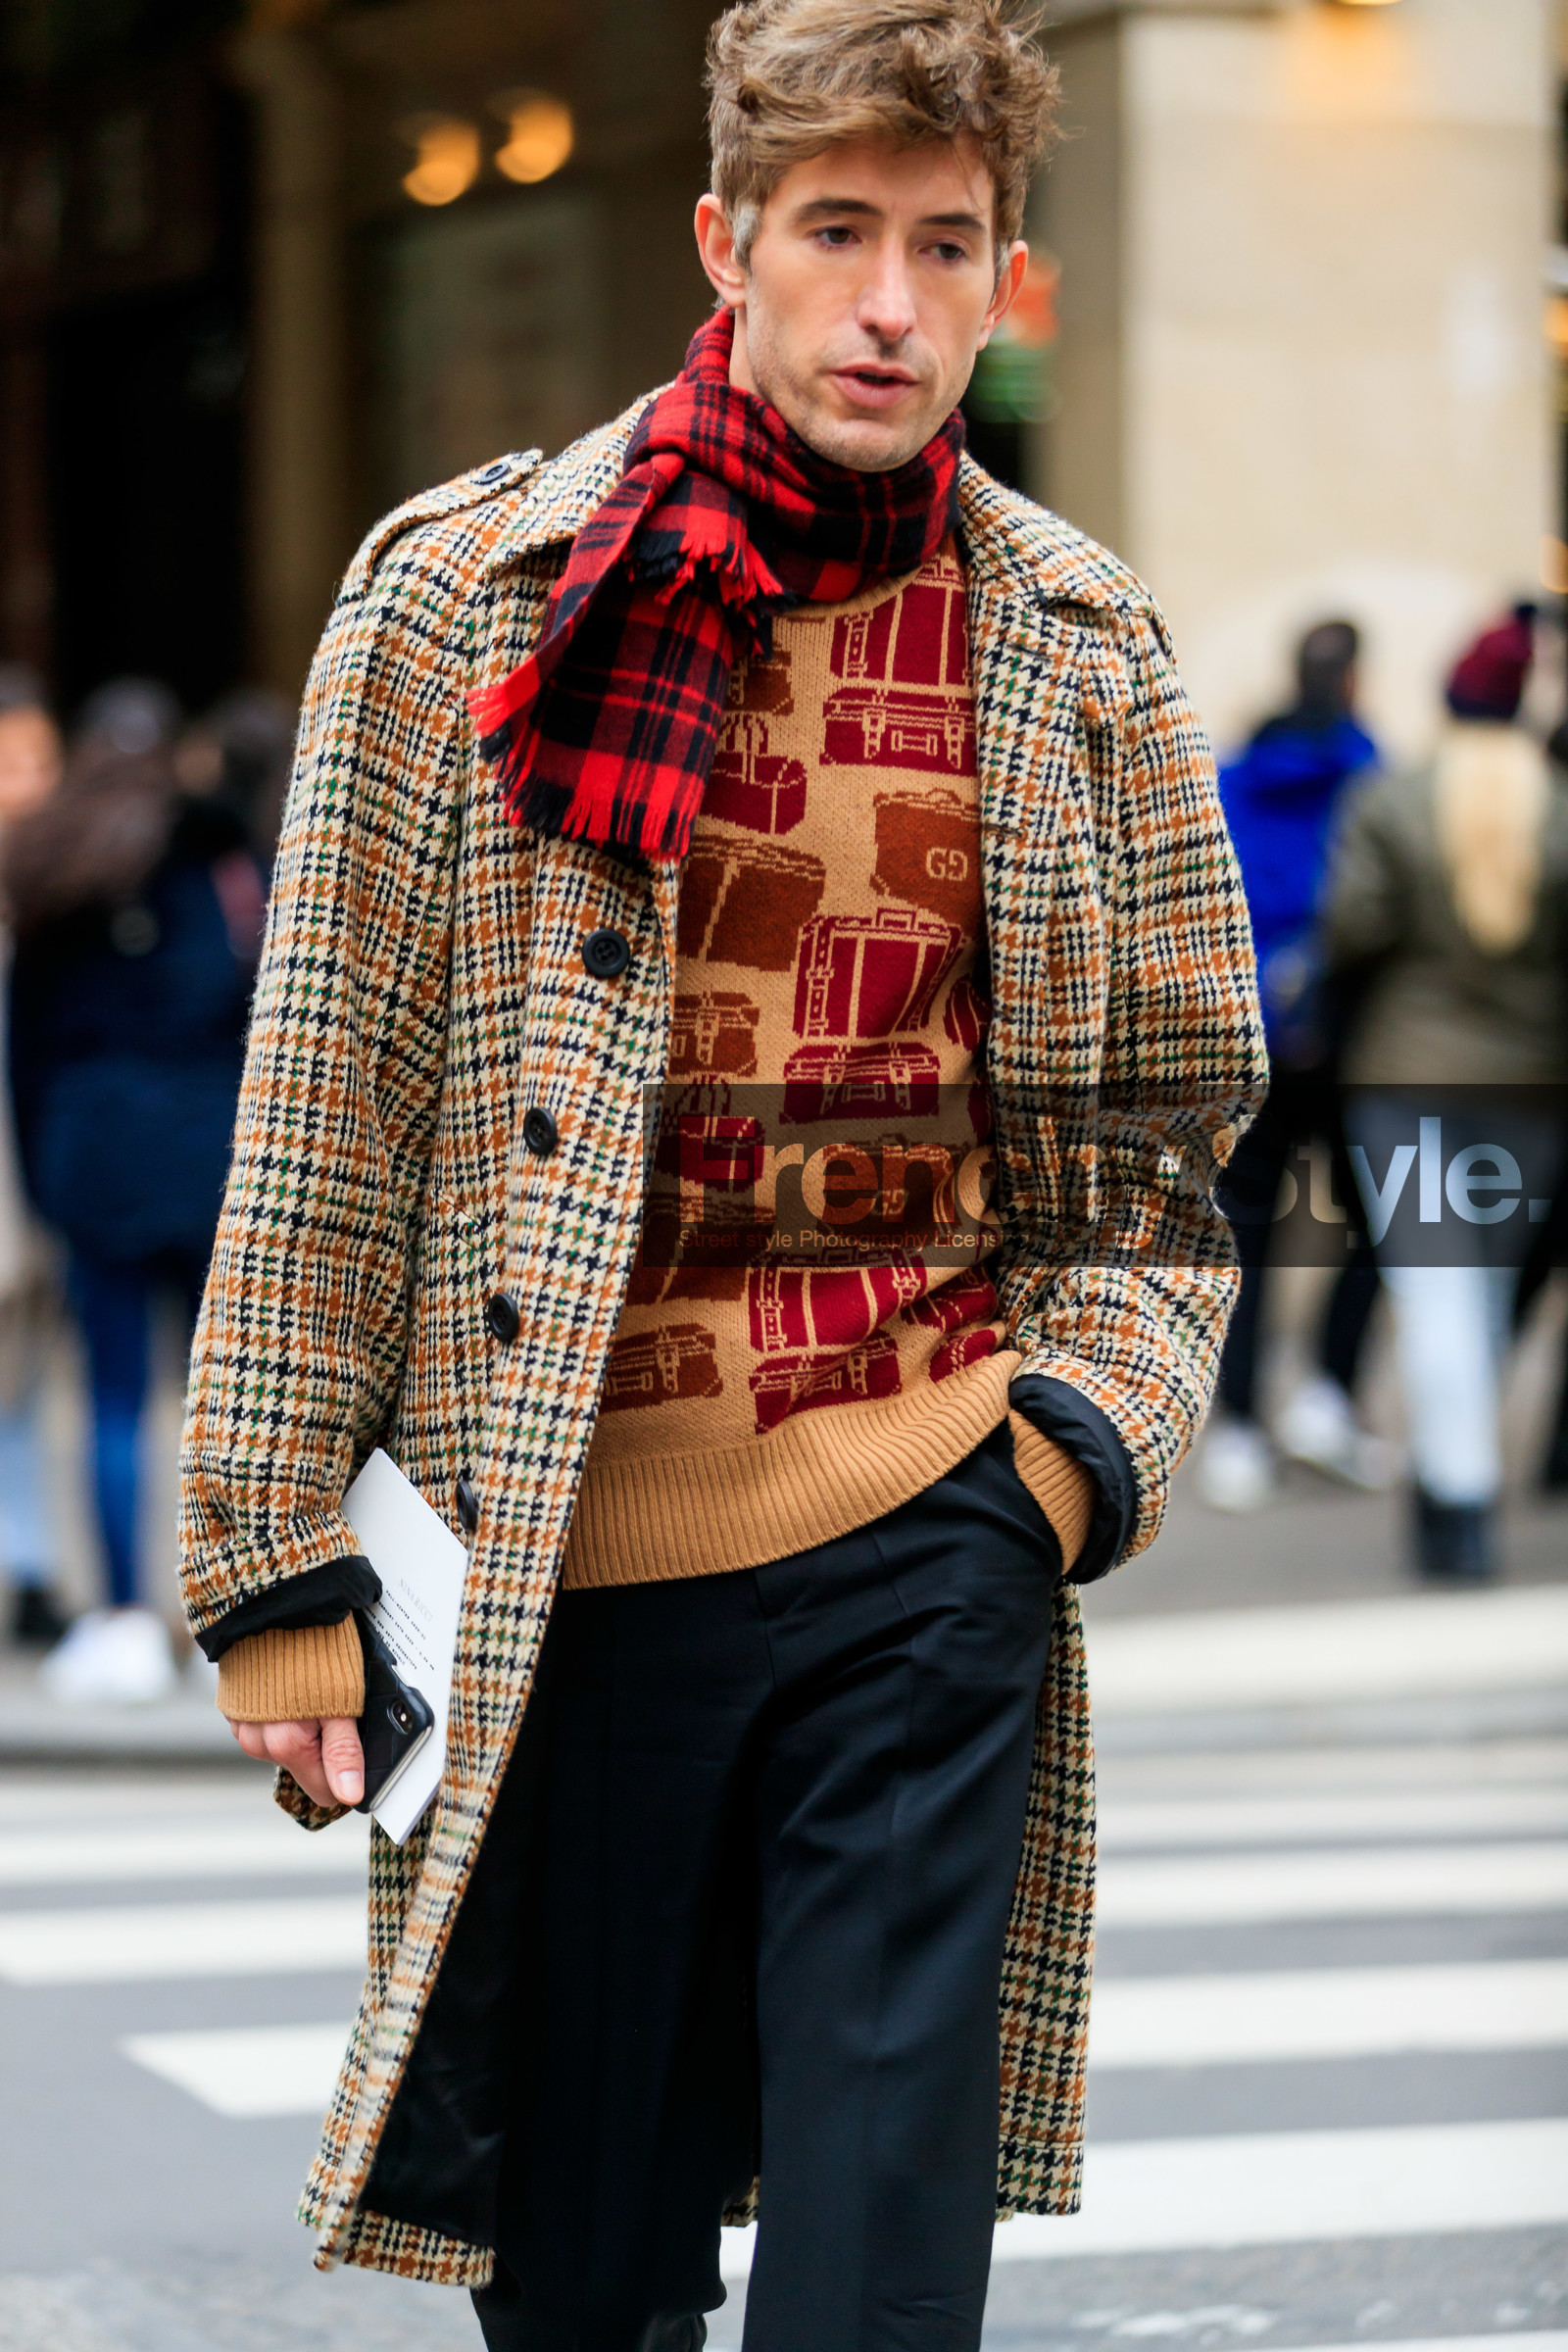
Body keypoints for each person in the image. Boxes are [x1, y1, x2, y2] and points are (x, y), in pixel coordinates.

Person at [178, 5, 1264, 2345]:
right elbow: (328, 1093)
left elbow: (1169, 1116)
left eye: (944, 245)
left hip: (925, 1538)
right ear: (727, 240)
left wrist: (1067, 1454)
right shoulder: (465, 591)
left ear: (1000, 276)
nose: (890, 299)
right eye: (838, 233)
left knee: (877, 2274)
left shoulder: (1078, 646)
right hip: (553, 1561)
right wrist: (271, 1547)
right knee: (582, 2273)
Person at [5, 681, 266, 1701]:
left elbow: (25, 1054)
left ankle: (118, 1615)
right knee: (225, 1400)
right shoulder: (223, 863)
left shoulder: (53, 873)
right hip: (207, 1162)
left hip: (96, 1167)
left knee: (113, 1398)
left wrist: (44, 1177)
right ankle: (236, 1610)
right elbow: (252, 1022)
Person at [1324, 605, 1568, 1581]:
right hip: (1533, 1090)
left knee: (1436, 1297)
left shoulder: (1395, 800)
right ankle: (1452, 1485)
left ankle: (1456, 1501)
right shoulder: (1552, 804)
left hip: (1406, 1084)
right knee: (1486, 1294)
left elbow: (1350, 929)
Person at [1200, 619, 1390, 1512]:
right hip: (1347, 1040)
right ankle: (1325, 1392)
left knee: (1250, 1238)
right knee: (1380, 1226)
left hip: (1253, 1044)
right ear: (1353, 681)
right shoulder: (1371, 773)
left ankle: (1240, 1426)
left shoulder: (1235, 778)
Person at [0, 666, 70, 1647]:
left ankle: (29, 1565)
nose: (28, 781)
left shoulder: (66, 890)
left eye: (38, 759)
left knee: (22, 1379)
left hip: (34, 1180)